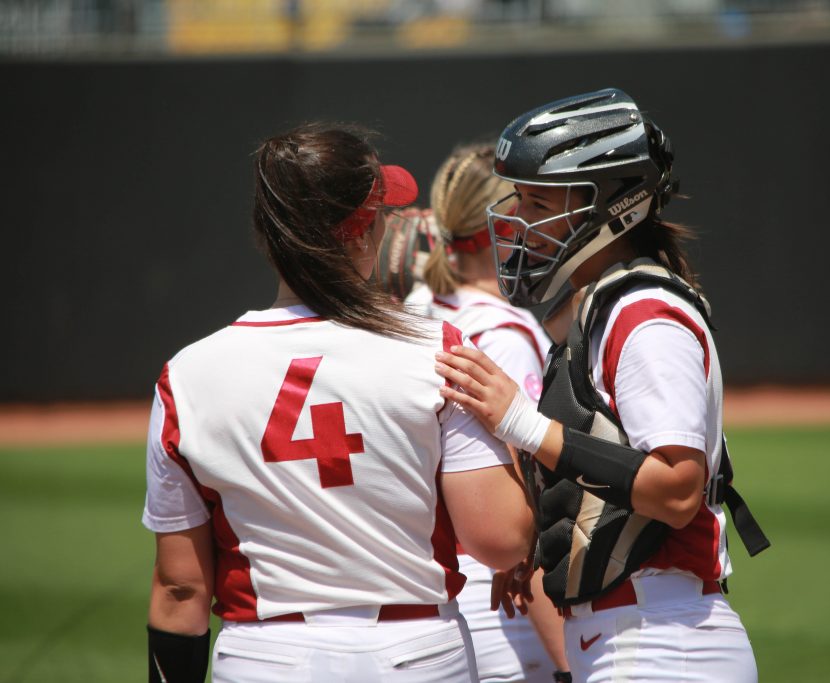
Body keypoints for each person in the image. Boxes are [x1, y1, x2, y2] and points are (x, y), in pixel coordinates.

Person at [143, 122, 534, 683]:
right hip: (415, 653)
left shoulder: (186, 376)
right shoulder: (440, 351)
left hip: (265, 659)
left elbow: (181, 589)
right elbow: (499, 540)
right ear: (361, 234)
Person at [434, 88, 769, 682]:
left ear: (612, 206)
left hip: (660, 639)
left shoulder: (645, 317)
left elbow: (678, 489)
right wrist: (542, 542)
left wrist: (519, 422)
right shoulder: (601, 307)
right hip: (633, 634)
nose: (520, 219)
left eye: (539, 202)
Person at [416, 143, 572, 683]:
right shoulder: (503, 334)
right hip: (504, 608)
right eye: (526, 204)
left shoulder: (414, 310)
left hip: (439, 586)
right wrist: (570, 666)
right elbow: (532, 521)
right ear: (503, 224)